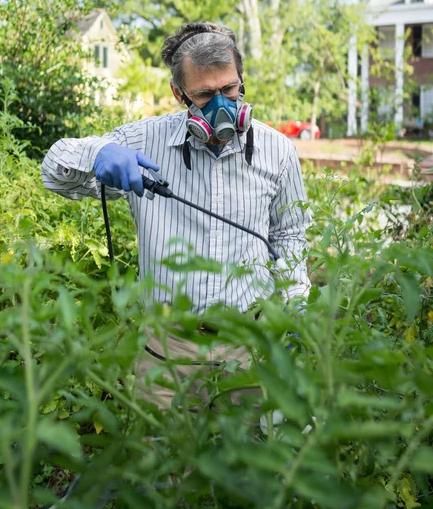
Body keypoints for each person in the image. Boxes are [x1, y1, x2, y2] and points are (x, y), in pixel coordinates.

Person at [41, 21, 311, 407]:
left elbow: (289, 236)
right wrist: (97, 153)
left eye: (229, 89)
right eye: (204, 94)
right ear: (178, 93)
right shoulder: (143, 140)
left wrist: (296, 312)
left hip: (250, 349)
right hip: (166, 352)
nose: (222, 106)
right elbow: (54, 171)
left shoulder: (278, 150)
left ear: (242, 81)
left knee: (246, 465)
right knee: (159, 465)